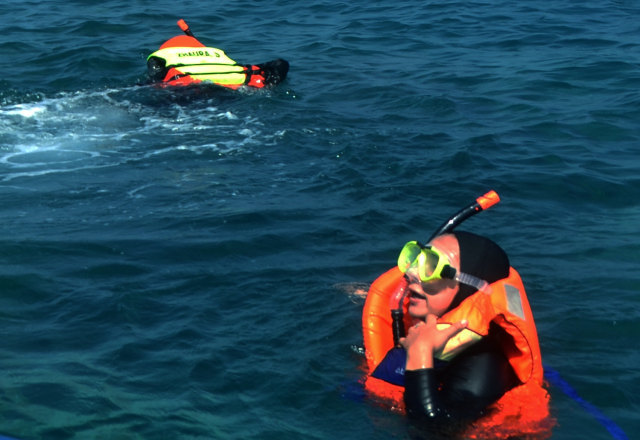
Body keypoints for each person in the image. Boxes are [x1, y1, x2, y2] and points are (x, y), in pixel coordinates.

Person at [366, 230, 547, 436]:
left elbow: (434, 431)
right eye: (416, 259)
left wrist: (420, 353)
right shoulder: (422, 325)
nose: (412, 273)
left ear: (469, 287)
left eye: (431, 266)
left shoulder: (484, 367)